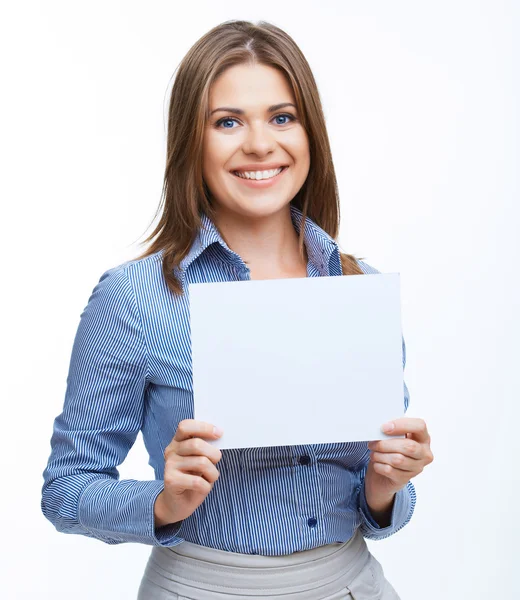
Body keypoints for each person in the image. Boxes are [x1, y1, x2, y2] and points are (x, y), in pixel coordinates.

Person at [41, 19, 434, 600]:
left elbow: (381, 506)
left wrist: (386, 485)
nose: (259, 144)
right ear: (190, 141)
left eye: (282, 117)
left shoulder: (357, 286)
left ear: (310, 134)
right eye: (228, 122)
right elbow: (65, 491)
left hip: (354, 585)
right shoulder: (134, 299)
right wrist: (163, 501)